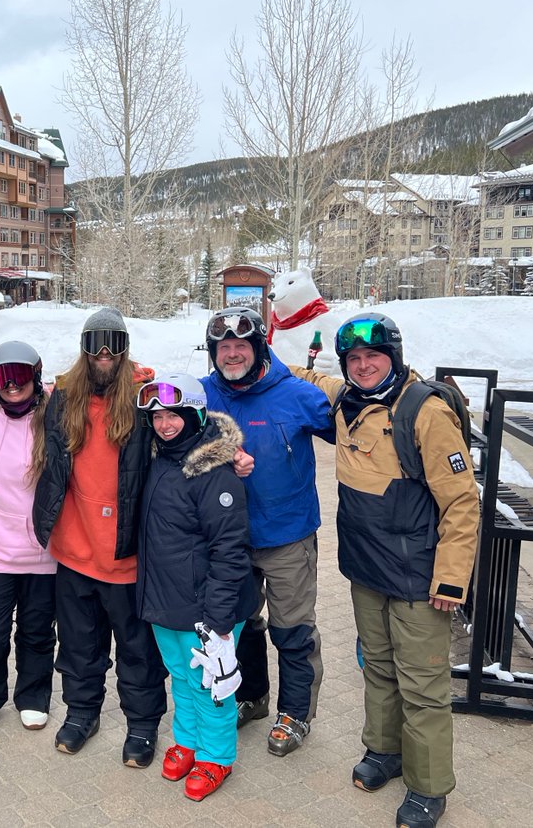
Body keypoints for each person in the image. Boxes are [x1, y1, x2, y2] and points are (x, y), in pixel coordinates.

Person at [291, 313, 479, 828]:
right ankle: (384, 752)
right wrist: (252, 358)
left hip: (419, 575)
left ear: (393, 357)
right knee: (377, 667)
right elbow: (305, 376)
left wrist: (451, 579)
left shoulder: (425, 411)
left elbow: (462, 502)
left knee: (422, 684)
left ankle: (428, 786)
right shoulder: (346, 400)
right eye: (353, 358)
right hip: (366, 568)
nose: (364, 365)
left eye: (374, 356)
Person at [32, 307, 167, 768]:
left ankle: (143, 724)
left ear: (125, 347)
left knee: (137, 650)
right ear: (84, 349)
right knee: (78, 646)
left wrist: (230, 452)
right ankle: (82, 712)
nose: (104, 353)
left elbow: (188, 432)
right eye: (95, 343)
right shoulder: (64, 397)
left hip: (125, 553)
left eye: (113, 342)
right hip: (74, 549)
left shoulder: (147, 399)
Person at [200, 306, 333, 757]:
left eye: (241, 346)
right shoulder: (203, 395)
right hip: (228, 537)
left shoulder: (297, 395)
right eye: (224, 347)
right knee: (239, 625)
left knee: (292, 628)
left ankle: (295, 711)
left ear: (259, 349)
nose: (232, 354)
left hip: (287, 535)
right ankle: (252, 697)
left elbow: (356, 420)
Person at [135, 373, 258, 802]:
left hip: (208, 608)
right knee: (182, 678)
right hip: (167, 602)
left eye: (174, 415)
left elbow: (231, 549)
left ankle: (216, 756)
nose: (165, 424)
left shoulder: (213, 472)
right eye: (158, 416)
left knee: (211, 684)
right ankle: (187, 741)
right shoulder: (159, 458)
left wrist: (219, 618)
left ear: (195, 414)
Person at [0, 341, 56, 733]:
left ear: (35, 377)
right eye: (3, 376)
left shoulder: (55, 420)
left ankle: (33, 696)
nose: (12, 385)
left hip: (41, 550)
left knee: (36, 629)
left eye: (20, 376)